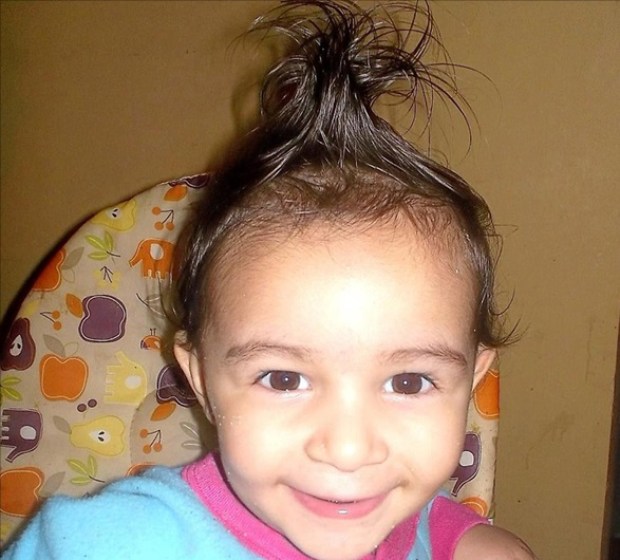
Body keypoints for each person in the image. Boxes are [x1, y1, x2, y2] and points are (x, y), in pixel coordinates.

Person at [4, 1, 535, 558]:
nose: (348, 451)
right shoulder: (106, 545)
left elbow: (430, 523)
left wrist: (478, 539)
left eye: (408, 383)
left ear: (470, 382)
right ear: (201, 380)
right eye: (283, 379)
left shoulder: (393, 505)